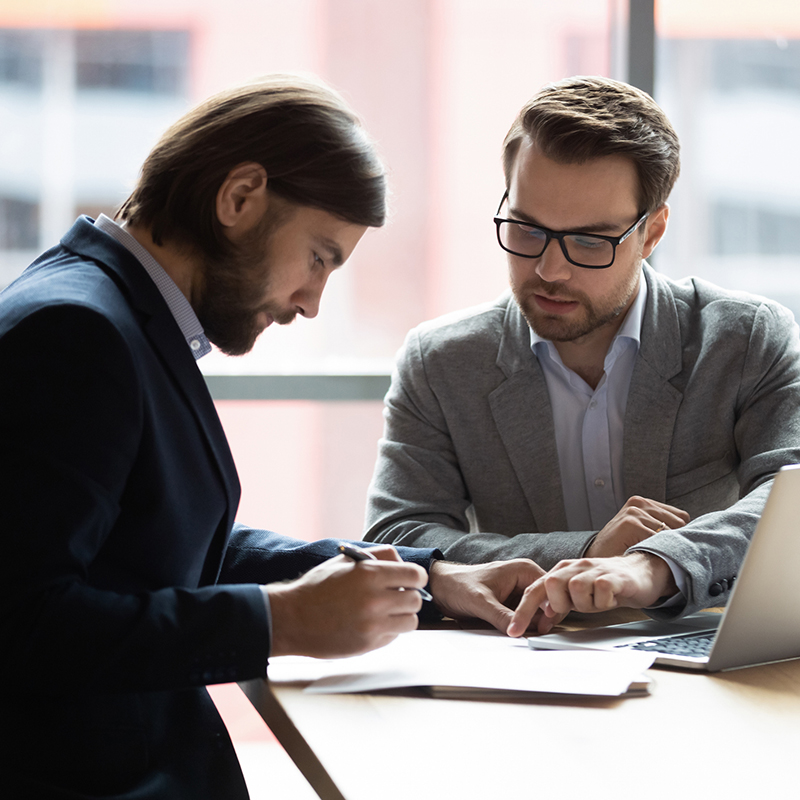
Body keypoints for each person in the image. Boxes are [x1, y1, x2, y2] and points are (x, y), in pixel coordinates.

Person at [0, 74, 545, 799]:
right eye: (320, 257)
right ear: (239, 197)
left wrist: (426, 579)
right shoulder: (77, 333)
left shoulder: (116, 314)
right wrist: (275, 623)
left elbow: (155, 545)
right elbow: (22, 624)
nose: (312, 303)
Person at [363, 75, 800, 637]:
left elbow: (790, 498)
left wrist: (653, 565)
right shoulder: (441, 363)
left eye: (590, 242)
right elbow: (397, 538)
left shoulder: (742, 341)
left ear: (653, 232)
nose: (550, 270)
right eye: (526, 229)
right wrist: (586, 550)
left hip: (701, 663)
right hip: (523, 667)